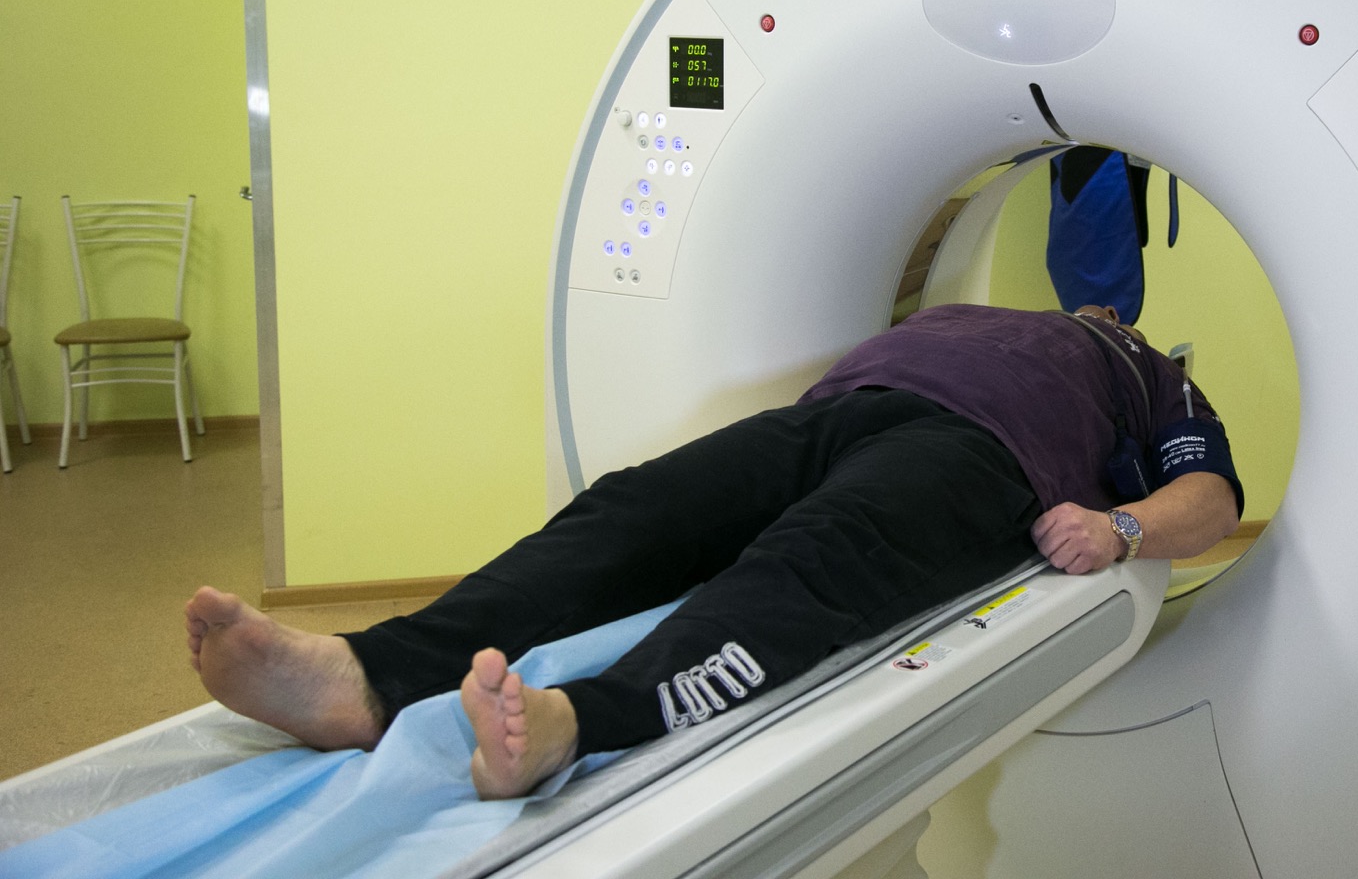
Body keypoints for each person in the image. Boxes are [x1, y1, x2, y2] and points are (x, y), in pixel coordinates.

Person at [185, 303, 1242, 800]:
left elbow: (1212, 500)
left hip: (985, 456)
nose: (1093, 306)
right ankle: (364, 676)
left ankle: (574, 724)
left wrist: (1121, 528)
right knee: (630, 511)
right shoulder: (963, 312)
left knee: (817, 559)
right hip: (836, 413)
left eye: (1107, 309)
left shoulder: (1144, 373)